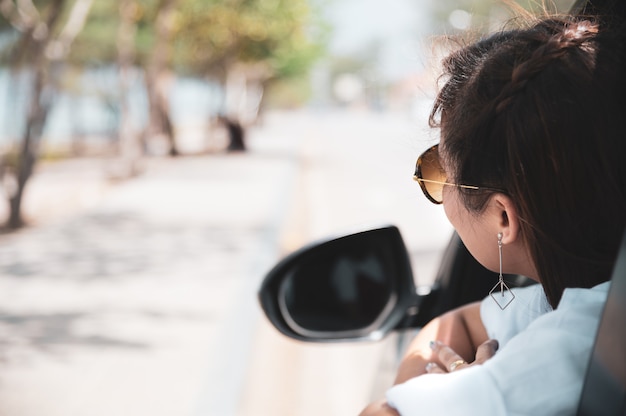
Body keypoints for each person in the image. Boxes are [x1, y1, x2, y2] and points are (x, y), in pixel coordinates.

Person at [360, 14, 626, 416]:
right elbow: (458, 325)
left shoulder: (558, 354)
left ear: (503, 218)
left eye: (441, 172)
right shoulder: (579, 304)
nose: (440, 190)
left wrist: (442, 388)